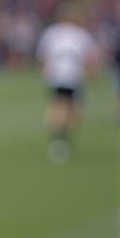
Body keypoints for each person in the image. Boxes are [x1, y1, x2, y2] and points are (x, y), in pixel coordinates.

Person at [35, 9, 100, 163]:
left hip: (55, 74)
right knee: (68, 106)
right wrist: (92, 74)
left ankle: (59, 136)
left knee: (60, 105)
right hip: (73, 75)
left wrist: (45, 71)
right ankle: (60, 138)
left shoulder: (51, 33)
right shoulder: (81, 34)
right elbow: (89, 57)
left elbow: (42, 56)